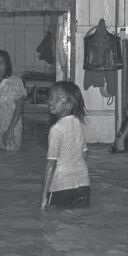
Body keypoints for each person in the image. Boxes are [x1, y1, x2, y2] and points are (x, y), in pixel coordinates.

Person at [41, 81, 90, 209]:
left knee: (56, 224)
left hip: (61, 187)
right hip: (83, 185)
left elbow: (51, 164)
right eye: (50, 97)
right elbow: (84, 155)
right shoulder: (78, 124)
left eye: (57, 98)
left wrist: (43, 197)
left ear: (70, 105)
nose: (51, 101)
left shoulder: (56, 129)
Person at [0, 49, 27, 151]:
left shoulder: (16, 82)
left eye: (1, 63)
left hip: (12, 129)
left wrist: (10, 130)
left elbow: (19, 107)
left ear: (7, 65)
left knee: (10, 158)